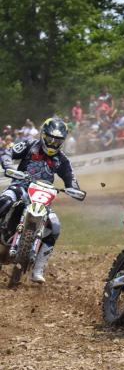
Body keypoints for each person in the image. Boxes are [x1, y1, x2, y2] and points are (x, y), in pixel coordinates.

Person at [0, 118, 82, 283]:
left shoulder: (62, 160)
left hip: (42, 196)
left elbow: (71, 179)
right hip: (21, 186)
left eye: (57, 140)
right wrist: (8, 166)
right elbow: (8, 152)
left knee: (55, 227)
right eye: (50, 138)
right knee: (5, 201)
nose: (53, 143)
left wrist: (74, 189)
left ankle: (38, 269)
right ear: (43, 135)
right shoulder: (30, 145)